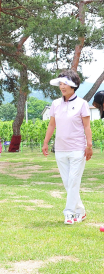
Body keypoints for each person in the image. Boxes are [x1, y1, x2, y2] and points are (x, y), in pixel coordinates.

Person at [42, 70, 93, 225]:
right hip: (60, 149)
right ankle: (81, 211)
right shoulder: (55, 104)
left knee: (73, 180)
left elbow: (87, 126)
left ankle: (69, 213)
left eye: (65, 83)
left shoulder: (82, 104)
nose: (62, 86)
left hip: (77, 148)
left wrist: (89, 145)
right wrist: (46, 142)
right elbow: (52, 124)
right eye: (61, 83)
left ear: (74, 85)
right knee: (68, 182)